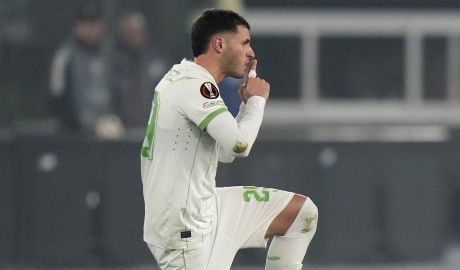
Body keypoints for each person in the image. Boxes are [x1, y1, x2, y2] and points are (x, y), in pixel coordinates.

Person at [140, 8, 318, 270]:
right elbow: (240, 145)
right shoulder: (196, 86)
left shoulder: (187, 79)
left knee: (301, 213)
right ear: (219, 44)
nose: (251, 52)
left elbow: (225, 151)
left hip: (207, 208)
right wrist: (257, 100)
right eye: (245, 42)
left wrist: (245, 107)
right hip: (184, 232)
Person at [49, 2, 123, 139]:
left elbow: (118, 91)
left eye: (95, 23)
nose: (91, 29)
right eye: (86, 24)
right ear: (77, 27)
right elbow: (57, 95)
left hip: (108, 130)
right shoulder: (65, 56)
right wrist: (78, 124)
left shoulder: (111, 55)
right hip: (74, 134)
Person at [112, 12, 166, 133]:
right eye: (131, 32)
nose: (135, 36)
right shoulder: (114, 62)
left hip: (152, 128)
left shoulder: (156, 61)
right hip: (120, 129)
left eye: (138, 31)